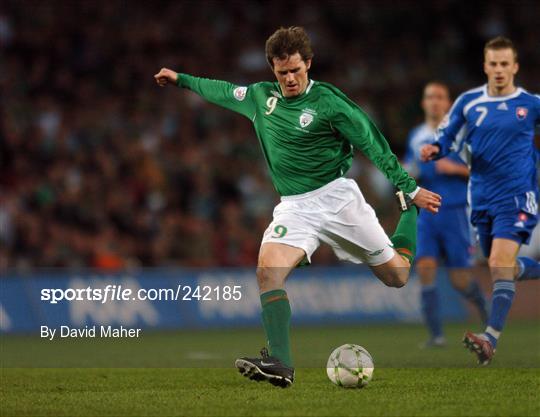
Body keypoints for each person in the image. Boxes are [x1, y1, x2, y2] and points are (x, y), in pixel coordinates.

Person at [156, 26, 442, 387]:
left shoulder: (330, 103)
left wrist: (409, 190)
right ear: (272, 70)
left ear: (309, 63)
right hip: (295, 208)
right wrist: (181, 79)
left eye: (296, 70)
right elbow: (222, 90)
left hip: (339, 200)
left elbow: (373, 144)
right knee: (267, 272)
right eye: (282, 72)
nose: (290, 79)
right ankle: (280, 363)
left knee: (397, 276)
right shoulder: (261, 98)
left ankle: (408, 213)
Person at [421, 36, 540, 365]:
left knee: (499, 263)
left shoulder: (531, 104)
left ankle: (490, 339)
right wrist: (435, 149)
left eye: (505, 64)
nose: (499, 70)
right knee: (502, 266)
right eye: (493, 64)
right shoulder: (469, 103)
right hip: (482, 199)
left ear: (515, 67)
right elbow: (447, 136)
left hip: (518, 197)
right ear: (485, 66)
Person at [405, 82, 488, 348]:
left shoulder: (462, 134)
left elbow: (483, 170)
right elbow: (410, 169)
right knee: (425, 269)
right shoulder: (416, 135)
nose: (434, 101)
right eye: (429, 97)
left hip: (454, 211)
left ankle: (487, 314)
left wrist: (455, 168)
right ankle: (436, 335)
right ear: (423, 103)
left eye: (439, 97)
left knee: (460, 279)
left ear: (448, 103)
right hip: (427, 212)